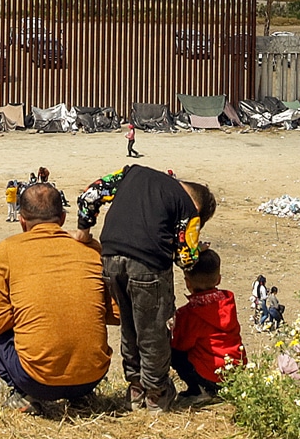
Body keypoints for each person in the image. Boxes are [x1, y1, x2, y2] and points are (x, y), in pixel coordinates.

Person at [76, 165, 216, 412]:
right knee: (153, 331)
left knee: (129, 326)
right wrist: (197, 250)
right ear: (198, 208)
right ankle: (156, 394)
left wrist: (84, 231)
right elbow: (186, 259)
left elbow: (91, 194)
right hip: (148, 267)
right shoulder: (187, 206)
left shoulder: (134, 173)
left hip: (110, 259)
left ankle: (135, 388)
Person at [0, 183, 116, 412]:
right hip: (92, 377)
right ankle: (76, 395)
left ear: (22, 221)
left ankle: (21, 392)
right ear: (61, 218)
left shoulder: (8, 249)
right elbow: (115, 314)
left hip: (36, 381)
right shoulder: (90, 248)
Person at [170, 249, 246, 401]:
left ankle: (199, 390)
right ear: (218, 279)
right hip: (235, 371)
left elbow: (182, 345)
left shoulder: (190, 313)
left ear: (187, 282)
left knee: (174, 354)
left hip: (211, 375)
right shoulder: (228, 302)